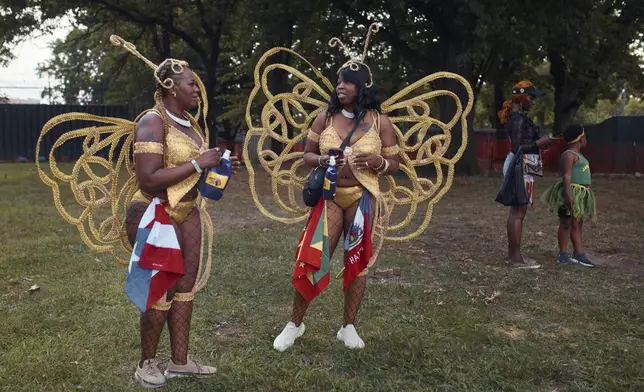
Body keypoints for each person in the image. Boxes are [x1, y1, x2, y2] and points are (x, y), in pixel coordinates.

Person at [243, 23, 475, 352]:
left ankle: (348, 326)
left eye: (348, 82)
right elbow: (307, 153)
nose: (341, 86)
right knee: (314, 257)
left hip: (363, 196)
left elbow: (395, 163)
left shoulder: (381, 122)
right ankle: (295, 323)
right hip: (330, 196)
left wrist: (379, 163)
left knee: (357, 261)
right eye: (339, 80)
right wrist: (323, 161)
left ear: (363, 87)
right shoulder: (324, 117)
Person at [35, 35, 239, 388]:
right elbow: (148, 179)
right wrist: (197, 162)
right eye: (192, 84)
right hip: (154, 211)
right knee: (162, 285)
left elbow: (194, 168)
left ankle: (180, 361)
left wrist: (216, 164)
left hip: (187, 210)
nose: (198, 90)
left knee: (186, 286)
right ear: (170, 86)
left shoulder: (190, 124)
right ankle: (146, 362)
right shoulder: (152, 121)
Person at [498, 80, 552, 269]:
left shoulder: (518, 117)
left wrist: (542, 142)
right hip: (519, 165)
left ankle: (515, 256)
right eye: (531, 97)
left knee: (518, 211)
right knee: (518, 212)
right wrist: (539, 143)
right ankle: (515, 258)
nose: (534, 101)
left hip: (524, 165)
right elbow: (517, 147)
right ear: (521, 99)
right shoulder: (517, 118)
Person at [541, 124, 596, 267]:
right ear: (581, 139)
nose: (586, 139)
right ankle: (563, 254)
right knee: (566, 222)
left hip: (581, 195)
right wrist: (568, 194)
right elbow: (566, 175)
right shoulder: (569, 155)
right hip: (571, 193)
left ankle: (578, 253)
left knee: (577, 223)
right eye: (584, 137)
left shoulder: (579, 155)